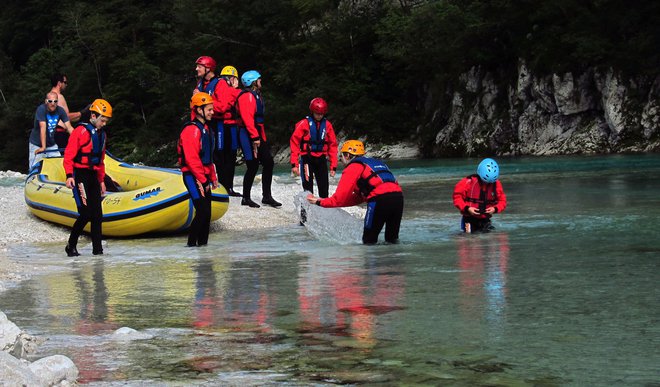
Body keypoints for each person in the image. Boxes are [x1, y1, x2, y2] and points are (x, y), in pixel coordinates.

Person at [307, 140, 404, 244]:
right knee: (392, 240)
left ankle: (371, 260)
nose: (341, 160)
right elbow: (359, 198)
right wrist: (327, 202)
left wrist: (319, 202)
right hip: (398, 198)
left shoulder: (353, 167)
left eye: (341, 157)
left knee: (369, 241)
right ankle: (395, 259)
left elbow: (339, 199)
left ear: (347, 155)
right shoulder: (377, 163)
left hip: (379, 200)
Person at [63, 98, 113, 256]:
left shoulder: (102, 136)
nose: (104, 124)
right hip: (80, 175)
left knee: (98, 215)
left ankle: (97, 251)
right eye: (102, 120)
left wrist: (101, 181)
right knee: (85, 213)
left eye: (106, 121)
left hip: (93, 176)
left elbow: (101, 161)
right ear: (93, 116)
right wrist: (69, 175)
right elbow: (69, 156)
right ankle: (71, 245)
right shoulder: (80, 131)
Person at [193, 57, 242, 196]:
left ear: (208, 68)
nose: (197, 69)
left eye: (199, 66)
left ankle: (228, 187)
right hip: (209, 125)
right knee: (215, 156)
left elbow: (223, 107)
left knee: (226, 156)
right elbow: (195, 105)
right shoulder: (200, 84)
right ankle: (217, 185)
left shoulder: (219, 84)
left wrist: (204, 99)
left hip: (222, 125)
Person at [178, 92, 219, 247]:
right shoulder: (192, 130)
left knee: (206, 214)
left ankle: (202, 248)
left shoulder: (205, 129)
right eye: (209, 109)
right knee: (202, 212)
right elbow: (192, 159)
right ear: (199, 110)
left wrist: (212, 177)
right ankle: (190, 247)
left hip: (204, 176)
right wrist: (202, 180)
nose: (212, 112)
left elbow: (208, 158)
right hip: (192, 176)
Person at [236, 70, 281, 208]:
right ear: (253, 82)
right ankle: (246, 197)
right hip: (248, 134)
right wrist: (255, 137)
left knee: (268, 162)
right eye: (259, 79)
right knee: (253, 165)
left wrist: (259, 136)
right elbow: (248, 119)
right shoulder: (247, 96)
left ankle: (267, 196)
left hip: (257, 132)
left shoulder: (256, 95)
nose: (261, 81)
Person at [290, 97, 338, 198]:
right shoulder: (304, 124)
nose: (319, 116)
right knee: (308, 189)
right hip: (307, 159)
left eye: (321, 114)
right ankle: (305, 213)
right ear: (312, 111)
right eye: (317, 114)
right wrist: (294, 164)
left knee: (324, 189)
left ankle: (324, 211)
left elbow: (333, 146)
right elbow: (294, 142)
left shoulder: (328, 125)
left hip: (321, 159)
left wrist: (333, 166)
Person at [452, 158, 507, 233]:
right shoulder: (467, 182)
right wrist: (467, 208)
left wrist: (495, 209)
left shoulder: (496, 185)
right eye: (485, 181)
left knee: (490, 238)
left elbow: (502, 201)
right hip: (468, 219)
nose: (487, 184)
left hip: (485, 219)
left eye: (489, 183)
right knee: (468, 238)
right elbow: (457, 198)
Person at [215, 65, 243, 197]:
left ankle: (227, 186)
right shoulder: (224, 87)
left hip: (229, 126)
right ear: (231, 78)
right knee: (224, 157)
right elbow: (226, 103)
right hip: (223, 125)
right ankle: (225, 187)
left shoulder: (223, 86)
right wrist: (236, 89)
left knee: (228, 157)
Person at [28, 92, 75, 168]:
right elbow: (43, 127)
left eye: (55, 101)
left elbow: (69, 127)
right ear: (46, 101)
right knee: (35, 168)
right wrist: (43, 147)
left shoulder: (60, 111)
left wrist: (79, 142)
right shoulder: (41, 109)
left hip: (51, 144)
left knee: (60, 166)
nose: (53, 103)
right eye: (50, 101)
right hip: (37, 144)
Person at [50, 73, 82, 150]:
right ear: (59, 83)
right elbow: (66, 117)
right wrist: (82, 113)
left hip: (51, 134)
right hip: (59, 133)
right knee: (64, 158)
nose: (66, 85)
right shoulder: (58, 97)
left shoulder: (49, 96)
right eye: (65, 82)